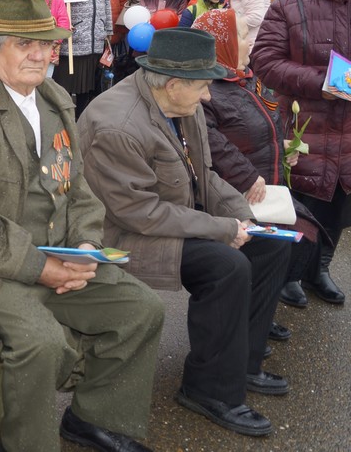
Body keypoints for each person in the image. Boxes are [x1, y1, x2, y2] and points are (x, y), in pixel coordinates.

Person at [0, 0, 164, 452]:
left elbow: (78, 187)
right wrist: (40, 266)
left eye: (47, 44)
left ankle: (92, 417)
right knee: (39, 342)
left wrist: (85, 246)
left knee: (141, 310)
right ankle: (22, 442)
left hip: (57, 251)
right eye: (25, 45)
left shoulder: (55, 98)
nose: (40, 54)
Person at [77, 27, 290, 438]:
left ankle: (239, 360)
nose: (209, 96)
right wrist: (221, 229)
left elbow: (203, 175)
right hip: (119, 237)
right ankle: (210, 390)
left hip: (167, 219)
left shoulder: (179, 103)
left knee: (267, 245)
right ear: (173, 83)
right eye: (203, 86)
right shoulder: (116, 125)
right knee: (226, 266)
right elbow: (138, 213)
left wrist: (243, 218)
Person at [193, 7, 323, 344]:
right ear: (219, 42)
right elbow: (212, 144)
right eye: (243, 35)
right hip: (238, 197)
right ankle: (245, 334)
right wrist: (248, 177)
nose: (251, 43)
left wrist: (284, 146)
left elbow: (261, 125)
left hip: (267, 187)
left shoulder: (245, 77)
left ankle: (258, 319)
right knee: (254, 264)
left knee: (298, 242)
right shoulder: (205, 88)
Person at [253, 0, 351, 307]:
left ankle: (319, 269)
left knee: (339, 203)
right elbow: (263, 60)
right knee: (301, 205)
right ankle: (289, 272)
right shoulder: (289, 5)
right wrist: (319, 82)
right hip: (304, 124)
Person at [56, 0, 111, 117]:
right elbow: (56, 3)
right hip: (74, 39)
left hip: (95, 38)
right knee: (66, 87)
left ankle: (81, 123)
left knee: (87, 91)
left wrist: (107, 28)